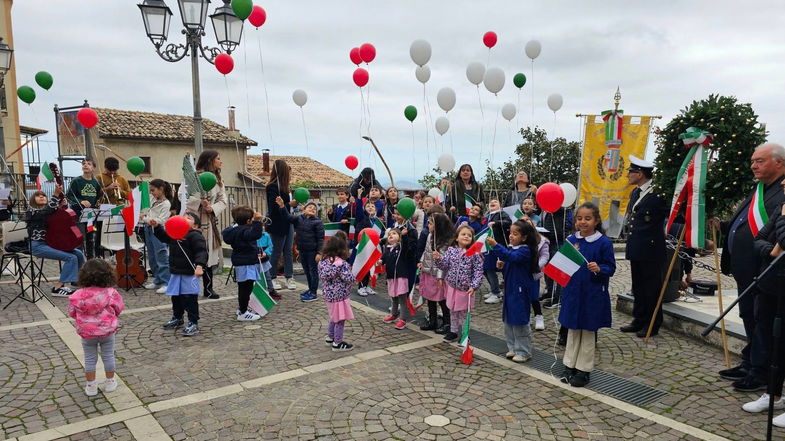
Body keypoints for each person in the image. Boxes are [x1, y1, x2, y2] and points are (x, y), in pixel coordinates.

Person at [711, 143, 785, 391]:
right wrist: (723, 226)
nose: (753, 165)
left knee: (760, 319)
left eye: (760, 161)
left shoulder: (782, 192)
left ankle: (760, 371)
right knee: (749, 316)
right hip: (746, 266)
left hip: (765, 269)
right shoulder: (761, 188)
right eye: (753, 160)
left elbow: (775, 233)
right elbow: (743, 220)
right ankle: (751, 360)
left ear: (779, 163)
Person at [559, 202, 616, 387]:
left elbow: (611, 267)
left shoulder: (603, 243)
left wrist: (600, 268)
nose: (583, 222)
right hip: (573, 292)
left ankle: (583, 369)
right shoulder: (571, 240)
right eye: (579, 218)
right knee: (572, 329)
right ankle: (569, 365)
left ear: (596, 220)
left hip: (592, 293)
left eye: (587, 218)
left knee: (588, 331)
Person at [745, 191, 785, 420]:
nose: (783, 183)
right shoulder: (782, 205)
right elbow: (759, 237)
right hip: (772, 284)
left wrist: (784, 217)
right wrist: (771, 250)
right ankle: (773, 394)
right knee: (774, 344)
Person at [619, 156, 669, 338]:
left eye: (630, 172)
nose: (628, 175)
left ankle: (652, 324)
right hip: (637, 247)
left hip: (651, 249)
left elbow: (671, 215)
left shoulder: (658, 193)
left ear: (640, 174)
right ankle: (638, 319)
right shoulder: (636, 193)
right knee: (638, 286)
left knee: (651, 289)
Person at [67, 259, 124, 396]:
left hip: (87, 333)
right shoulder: (111, 293)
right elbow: (118, 308)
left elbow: (72, 312)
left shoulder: (77, 295)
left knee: (89, 358)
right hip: (107, 331)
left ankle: (91, 385)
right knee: (108, 356)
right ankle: (110, 381)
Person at [487, 220, 539, 363]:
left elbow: (514, 258)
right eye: (510, 233)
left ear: (524, 237)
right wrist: (502, 265)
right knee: (508, 320)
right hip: (510, 288)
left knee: (520, 321)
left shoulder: (525, 250)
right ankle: (513, 347)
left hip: (520, 290)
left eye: (515, 234)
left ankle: (524, 350)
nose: (511, 236)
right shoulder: (511, 248)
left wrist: (496, 246)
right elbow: (509, 261)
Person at [151, 212, 208, 337]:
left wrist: (199, 266)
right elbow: (163, 237)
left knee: (190, 298)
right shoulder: (176, 234)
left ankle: (193, 322)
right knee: (175, 297)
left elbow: (202, 252)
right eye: (184, 217)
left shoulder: (195, 236)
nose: (184, 219)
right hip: (176, 272)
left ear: (195, 226)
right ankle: (178, 317)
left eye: (189, 218)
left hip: (189, 274)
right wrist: (157, 227)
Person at [26, 187, 86, 297]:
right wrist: (55, 195)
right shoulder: (31, 211)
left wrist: (61, 205)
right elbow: (46, 212)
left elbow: (60, 216)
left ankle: (78, 280)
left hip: (51, 243)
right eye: (38, 195)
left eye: (43, 195)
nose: (41, 197)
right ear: (33, 199)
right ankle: (58, 288)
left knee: (78, 253)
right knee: (71, 258)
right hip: (37, 246)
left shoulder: (49, 211)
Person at [187, 150, 227, 300]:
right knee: (193, 253)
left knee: (209, 255)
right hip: (194, 221)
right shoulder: (193, 178)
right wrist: (199, 203)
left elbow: (223, 200)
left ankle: (208, 288)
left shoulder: (218, 180)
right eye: (218, 158)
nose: (220, 161)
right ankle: (191, 288)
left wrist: (212, 208)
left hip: (209, 223)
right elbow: (183, 195)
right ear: (210, 160)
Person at [434, 225, 484, 343]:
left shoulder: (474, 254)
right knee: (453, 310)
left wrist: (474, 285)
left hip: (465, 289)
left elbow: (478, 271)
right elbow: (444, 265)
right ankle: (453, 331)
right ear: (456, 238)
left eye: (469, 235)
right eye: (463, 234)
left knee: (464, 313)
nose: (466, 236)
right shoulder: (451, 251)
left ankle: (465, 334)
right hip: (452, 287)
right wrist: (438, 259)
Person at [222, 206, 266, 321]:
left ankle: (242, 308)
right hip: (246, 262)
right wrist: (257, 221)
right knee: (246, 288)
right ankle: (243, 312)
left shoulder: (234, 230)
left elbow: (226, 233)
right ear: (248, 221)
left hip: (241, 262)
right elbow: (256, 234)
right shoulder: (244, 231)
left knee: (244, 287)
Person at [276, 197, 324, 302]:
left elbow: (321, 239)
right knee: (307, 271)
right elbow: (287, 217)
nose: (312, 209)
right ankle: (310, 289)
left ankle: (314, 292)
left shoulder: (318, 222)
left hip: (312, 251)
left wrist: (319, 253)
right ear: (303, 209)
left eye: (314, 209)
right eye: (310, 207)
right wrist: (282, 206)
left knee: (313, 271)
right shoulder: (299, 218)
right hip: (302, 250)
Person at [319, 233, 356, 352]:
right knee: (340, 319)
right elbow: (348, 278)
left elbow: (322, 275)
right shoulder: (342, 264)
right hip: (340, 295)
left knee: (333, 316)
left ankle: (330, 337)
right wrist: (354, 277)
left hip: (328, 295)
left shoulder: (323, 261)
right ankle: (338, 342)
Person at [418, 211, 454, 334]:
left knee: (442, 299)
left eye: (431, 223)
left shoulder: (445, 241)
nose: (428, 225)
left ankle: (447, 323)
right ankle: (432, 321)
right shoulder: (430, 236)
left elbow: (444, 261)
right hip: (428, 271)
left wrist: (440, 276)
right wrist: (422, 261)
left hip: (438, 276)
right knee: (430, 298)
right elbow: (426, 251)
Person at [265, 159, 297, 292]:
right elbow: (273, 207)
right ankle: (272, 277)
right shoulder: (272, 186)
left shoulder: (286, 187)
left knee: (288, 251)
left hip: (288, 222)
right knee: (276, 251)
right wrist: (288, 204)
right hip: (278, 224)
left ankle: (289, 277)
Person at [380, 227, 417, 330]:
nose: (391, 235)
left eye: (394, 233)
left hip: (401, 276)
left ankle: (403, 319)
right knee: (393, 297)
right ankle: (394, 314)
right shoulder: (388, 248)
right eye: (390, 234)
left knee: (402, 298)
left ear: (399, 237)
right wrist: (381, 261)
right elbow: (384, 257)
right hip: (391, 277)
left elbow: (406, 247)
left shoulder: (401, 247)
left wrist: (404, 236)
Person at [540, 204, 574, 309]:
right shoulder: (547, 209)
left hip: (559, 242)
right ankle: (550, 292)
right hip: (549, 240)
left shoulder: (565, 211)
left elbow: (568, 225)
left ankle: (559, 298)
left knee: (558, 271)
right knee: (548, 269)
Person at [66, 159, 101, 260]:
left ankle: (91, 261)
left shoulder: (96, 182)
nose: (85, 165)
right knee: (80, 239)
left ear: (93, 168)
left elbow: (98, 196)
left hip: (91, 216)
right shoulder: (76, 181)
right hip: (78, 216)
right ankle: (79, 261)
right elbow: (69, 196)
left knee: (91, 239)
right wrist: (80, 201)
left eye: (89, 164)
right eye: (84, 164)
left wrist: (97, 205)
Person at [142, 179, 172, 294]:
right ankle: (158, 279)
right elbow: (147, 209)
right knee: (152, 255)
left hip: (159, 231)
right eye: (150, 190)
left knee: (161, 255)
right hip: (148, 229)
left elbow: (160, 220)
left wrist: (144, 218)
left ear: (161, 189)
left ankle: (166, 282)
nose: (151, 193)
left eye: (153, 190)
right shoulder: (152, 199)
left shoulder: (166, 204)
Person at [353, 188, 384, 296]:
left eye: (372, 206)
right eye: (368, 206)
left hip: (373, 247)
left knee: (371, 267)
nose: (370, 207)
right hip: (363, 246)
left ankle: (367, 286)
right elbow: (358, 211)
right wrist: (359, 197)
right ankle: (361, 286)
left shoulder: (377, 221)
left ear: (376, 209)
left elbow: (381, 233)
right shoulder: (362, 217)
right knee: (364, 266)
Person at [522, 215, 549, 331]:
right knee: (523, 297)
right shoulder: (518, 239)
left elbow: (545, 256)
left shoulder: (542, 240)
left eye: (527, 220)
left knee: (534, 296)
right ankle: (525, 317)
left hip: (533, 273)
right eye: (522, 221)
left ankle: (539, 316)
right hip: (520, 273)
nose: (525, 222)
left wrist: (537, 266)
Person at [482, 199, 512, 305]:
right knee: (487, 268)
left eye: (495, 201)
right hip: (488, 247)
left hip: (499, 245)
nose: (492, 202)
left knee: (503, 269)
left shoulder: (502, 214)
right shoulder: (487, 217)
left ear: (501, 206)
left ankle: (502, 292)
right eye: (490, 202)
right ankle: (495, 290)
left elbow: (508, 223)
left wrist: (496, 223)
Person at [256, 225, 280, 301]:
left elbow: (270, 246)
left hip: (264, 260)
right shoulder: (252, 236)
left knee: (268, 276)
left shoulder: (266, 235)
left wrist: (265, 253)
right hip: (255, 261)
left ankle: (271, 290)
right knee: (257, 277)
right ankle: (258, 292)